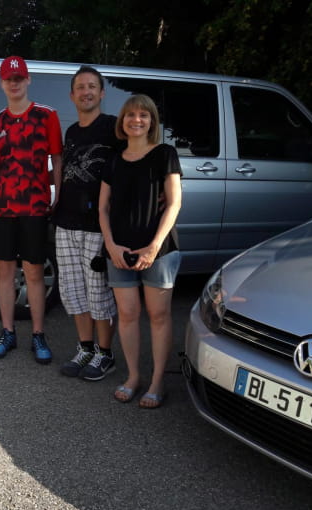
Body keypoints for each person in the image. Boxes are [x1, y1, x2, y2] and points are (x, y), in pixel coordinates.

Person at [98, 94, 182, 408]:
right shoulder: (114, 158)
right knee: (128, 315)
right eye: (131, 114)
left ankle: (158, 380)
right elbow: (103, 209)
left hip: (159, 250)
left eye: (143, 115)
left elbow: (174, 203)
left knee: (159, 316)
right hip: (119, 250)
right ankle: (134, 376)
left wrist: (154, 246)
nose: (136, 120)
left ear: (151, 122)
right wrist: (110, 245)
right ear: (123, 121)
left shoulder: (165, 154)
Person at [0, 56, 63, 364]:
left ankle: (38, 334)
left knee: (33, 271)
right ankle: (7, 331)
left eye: (19, 78)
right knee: (3, 272)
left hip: (34, 206)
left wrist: (59, 196)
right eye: (8, 79)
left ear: (27, 80)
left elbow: (56, 159)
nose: (13, 83)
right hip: (1, 207)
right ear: (2, 83)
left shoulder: (47, 116)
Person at [54, 66, 119, 380]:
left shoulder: (114, 128)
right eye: (80, 87)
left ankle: (106, 355)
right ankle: (85, 348)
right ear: (72, 95)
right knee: (72, 290)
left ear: (102, 92)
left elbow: (134, 163)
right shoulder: (71, 132)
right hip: (66, 223)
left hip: (98, 225)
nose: (86, 92)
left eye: (92, 86)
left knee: (99, 292)